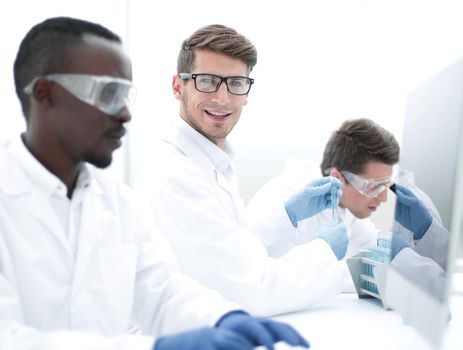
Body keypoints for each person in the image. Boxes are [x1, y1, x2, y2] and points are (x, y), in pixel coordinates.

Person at [0, 17, 310, 350]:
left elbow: (163, 291)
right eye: (107, 93)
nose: (124, 115)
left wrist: (222, 317)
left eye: (125, 96)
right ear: (46, 94)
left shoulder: (115, 201)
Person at [134, 24, 348, 316]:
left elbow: (234, 251)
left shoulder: (212, 162)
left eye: (235, 83)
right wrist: (325, 250)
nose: (222, 98)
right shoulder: (176, 177)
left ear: (246, 92)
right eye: (207, 81)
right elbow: (249, 292)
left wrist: (288, 216)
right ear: (177, 86)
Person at [247, 119, 449, 273]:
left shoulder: (346, 209)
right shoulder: (281, 199)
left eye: (384, 186)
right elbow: (254, 270)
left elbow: (372, 251)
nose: (383, 198)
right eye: (373, 186)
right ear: (337, 177)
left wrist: (425, 232)